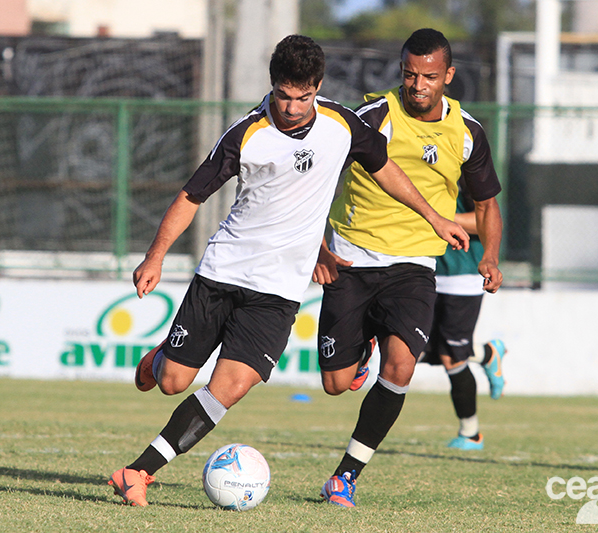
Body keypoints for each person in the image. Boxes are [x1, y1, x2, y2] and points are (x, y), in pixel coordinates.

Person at [107, 34, 470, 507]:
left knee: (230, 388)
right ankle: (161, 358)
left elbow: (385, 169)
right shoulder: (247, 134)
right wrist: (155, 255)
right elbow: (191, 196)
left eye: (304, 97)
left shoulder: (342, 123)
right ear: (272, 86)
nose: (294, 107)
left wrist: (435, 216)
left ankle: (138, 472)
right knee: (174, 381)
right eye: (284, 95)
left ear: (317, 87)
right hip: (224, 273)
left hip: (277, 292)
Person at [313, 28, 503, 507]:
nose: (418, 85)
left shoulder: (467, 131)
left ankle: (346, 476)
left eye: (429, 76)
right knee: (336, 385)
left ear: (449, 76)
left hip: (414, 266)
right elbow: (318, 176)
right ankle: (360, 349)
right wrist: (317, 246)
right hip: (352, 258)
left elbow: (487, 204)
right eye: (410, 74)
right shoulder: (375, 117)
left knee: (401, 367)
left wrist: (491, 255)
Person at [418, 180, 507, 451]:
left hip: (463, 276)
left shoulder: (468, 172)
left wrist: (436, 217)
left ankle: (471, 434)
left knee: (451, 356)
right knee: (416, 350)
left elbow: (487, 220)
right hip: (426, 272)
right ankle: (485, 354)